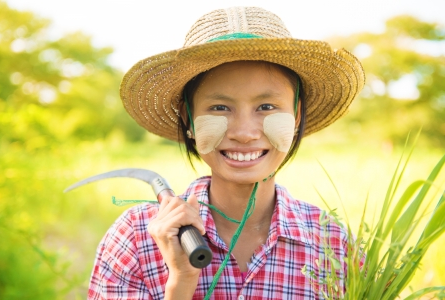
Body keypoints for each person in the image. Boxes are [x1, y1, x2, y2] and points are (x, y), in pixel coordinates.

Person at [88, 6, 365, 300]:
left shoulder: (335, 245)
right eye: (220, 107)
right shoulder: (135, 238)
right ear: (188, 118)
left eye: (267, 107)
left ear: (296, 116)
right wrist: (181, 281)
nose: (244, 133)